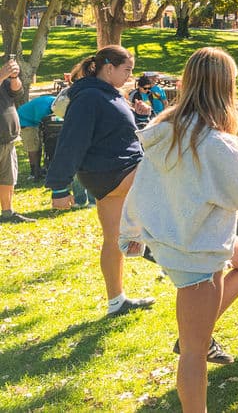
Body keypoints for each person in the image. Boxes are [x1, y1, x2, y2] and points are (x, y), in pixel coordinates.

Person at [119, 48, 238, 412]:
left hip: (179, 235)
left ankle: (198, 330)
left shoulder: (166, 129)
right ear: (226, 88)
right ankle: (196, 346)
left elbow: (143, 187)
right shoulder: (214, 143)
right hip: (195, 253)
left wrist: (132, 229)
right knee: (193, 355)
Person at [45, 46, 154, 315]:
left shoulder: (108, 94)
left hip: (110, 173)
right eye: (126, 70)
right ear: (108, 68)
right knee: (171, 178)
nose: (130, 76)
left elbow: (120, 133)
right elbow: (71, 141)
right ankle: (151, 244)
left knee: (113, 239)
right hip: (114, 171)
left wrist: (141, 116)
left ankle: (116, 301)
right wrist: (59, 187)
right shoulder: (90, 97)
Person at [0, 56, 33, 223]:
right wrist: (1, 75)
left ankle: (7, 213)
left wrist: (13, 77)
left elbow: (17, 92)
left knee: (8, 178)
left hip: (8, 137)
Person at [16, 94, 55, 181]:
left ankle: (39, 168)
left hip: (33, 121)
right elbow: (41, 121)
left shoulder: (54, 101)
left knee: (38, 145)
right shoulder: (43, 107)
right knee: (33, 147)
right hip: (25, 121)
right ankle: (34, 172)